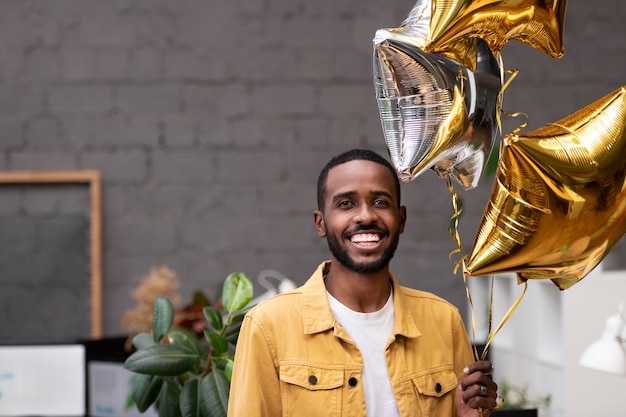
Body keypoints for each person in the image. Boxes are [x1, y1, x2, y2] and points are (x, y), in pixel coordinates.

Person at [228, 148, 498, 417]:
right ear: (320, 223)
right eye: (346, 203)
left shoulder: (443, 321)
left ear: (401, 219)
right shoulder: (267, 326)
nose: (366, 216)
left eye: (380, 202)